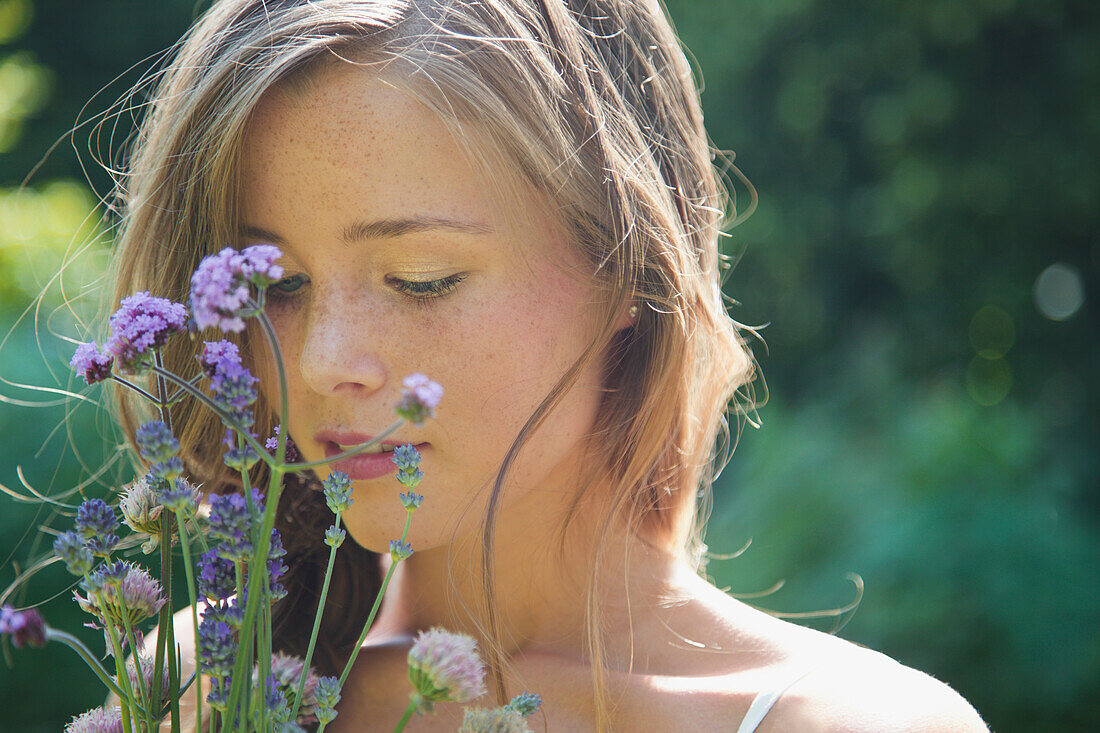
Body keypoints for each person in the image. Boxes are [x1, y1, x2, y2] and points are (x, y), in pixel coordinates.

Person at [107, 1, 989, 730]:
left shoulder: (846, 720)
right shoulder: (203, 685)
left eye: (423, 279)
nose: (326, 360)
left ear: (628, 269)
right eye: (282, 284)